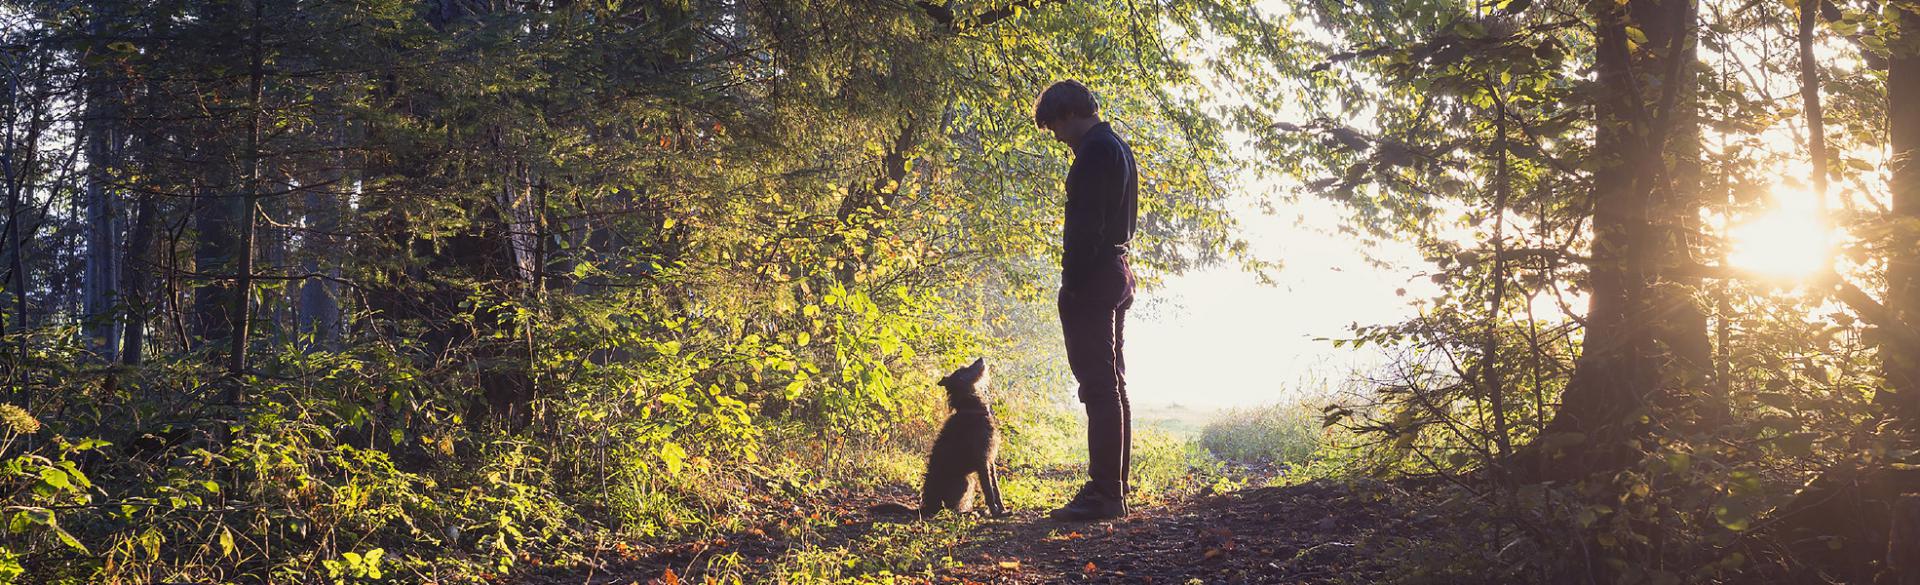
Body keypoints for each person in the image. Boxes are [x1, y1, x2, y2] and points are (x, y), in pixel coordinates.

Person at [1034, 80, 1139, 522]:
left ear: (1068, 114)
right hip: (1115, 270)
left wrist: (1072, 282)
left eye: (1054, 125)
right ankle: (1113, 488)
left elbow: (1086, 226)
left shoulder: (1096, 152)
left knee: (1098, 386)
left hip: (1094, 277)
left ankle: (1104, 494)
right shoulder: (1117, 146)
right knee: (1112, 384)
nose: (1056, 136)